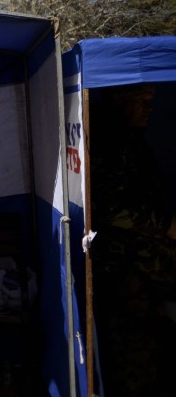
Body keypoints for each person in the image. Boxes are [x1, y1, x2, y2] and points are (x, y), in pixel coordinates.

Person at [90, 83, 176, 397]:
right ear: (121, 98)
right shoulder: (107, 136)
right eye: (143, 100)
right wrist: (166, 224)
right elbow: (109, 205)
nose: (149, 108)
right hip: (124, 274)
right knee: (132, 363)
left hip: (145, 274)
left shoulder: (126, 136)